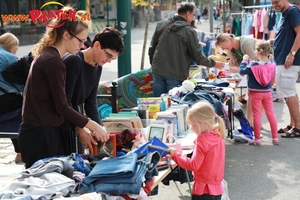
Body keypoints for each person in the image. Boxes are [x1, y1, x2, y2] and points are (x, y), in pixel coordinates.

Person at [18, 6, 109, 169]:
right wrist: (93, 126)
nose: (82, 46)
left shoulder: (50, 56)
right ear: (66, 35)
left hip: (41, 132)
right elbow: (62, 106)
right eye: (80, 40)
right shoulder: (53, 61)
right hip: (40, 135)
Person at [62, 27, 124, 154]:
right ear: (96, 45)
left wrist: (100, 130)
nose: (109, 60)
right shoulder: (74, 61)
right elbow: (65, 102)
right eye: (108, 55)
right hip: (59, 124)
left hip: (73, 121)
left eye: (113, 58)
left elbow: (91, 103)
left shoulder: (97, 67)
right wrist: (80, 129)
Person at [149, 2, 224, 97]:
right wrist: (214, 64)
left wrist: (153, 65)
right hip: (175, 73)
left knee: (158, 103)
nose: (194, 17)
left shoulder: (161, 24)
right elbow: (198, 56)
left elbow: (152, 47)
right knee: (174, 104)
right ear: (188, 14)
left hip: (158, 70)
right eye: (193, 15)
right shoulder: (189, 31)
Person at [168, 101, 226, 200]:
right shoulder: (218, 136)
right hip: (216, 189)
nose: (191, 128)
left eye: (193, 125)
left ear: (204, 124)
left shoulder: (202, 140)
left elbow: (193, 165)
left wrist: (175, 155)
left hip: (203, 190)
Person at [269, 0, 300, 137]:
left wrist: (291, 54)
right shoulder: (285, 14)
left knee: (288, 92)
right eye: (272, 3)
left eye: (276, 2)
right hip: (283, 59)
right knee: (289, 92)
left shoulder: (293, 11)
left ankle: (298, 126)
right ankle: (293, 124)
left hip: (288, 61)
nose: (274, 5)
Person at [239, 41, 279, 145]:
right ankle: (275, 138)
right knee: (271, 114)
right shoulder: (272, 65)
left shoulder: (254, 66)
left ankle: (257, 139)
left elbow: (242, 71)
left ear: (258, 52)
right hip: (267, 92)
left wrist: (244, 60)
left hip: (255, 93)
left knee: (257, 115)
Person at [215, 33, 258, 128]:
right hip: (253, 73)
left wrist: (237, 70)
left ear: (227, 40)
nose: (223, 49)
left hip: (261, 73)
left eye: (222, 46)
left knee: (255, 97)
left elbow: (257, 63)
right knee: (251, 96)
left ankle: (254, 122)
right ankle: (251, 122)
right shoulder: (232, 49)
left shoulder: (246, 43)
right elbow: (235, 64)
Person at [0, 33, 22, 163]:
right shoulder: (10, 57)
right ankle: (21, 151)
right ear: (12, 45)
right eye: (16, 47)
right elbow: (21, 84)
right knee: (26, 104)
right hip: (3, 100)